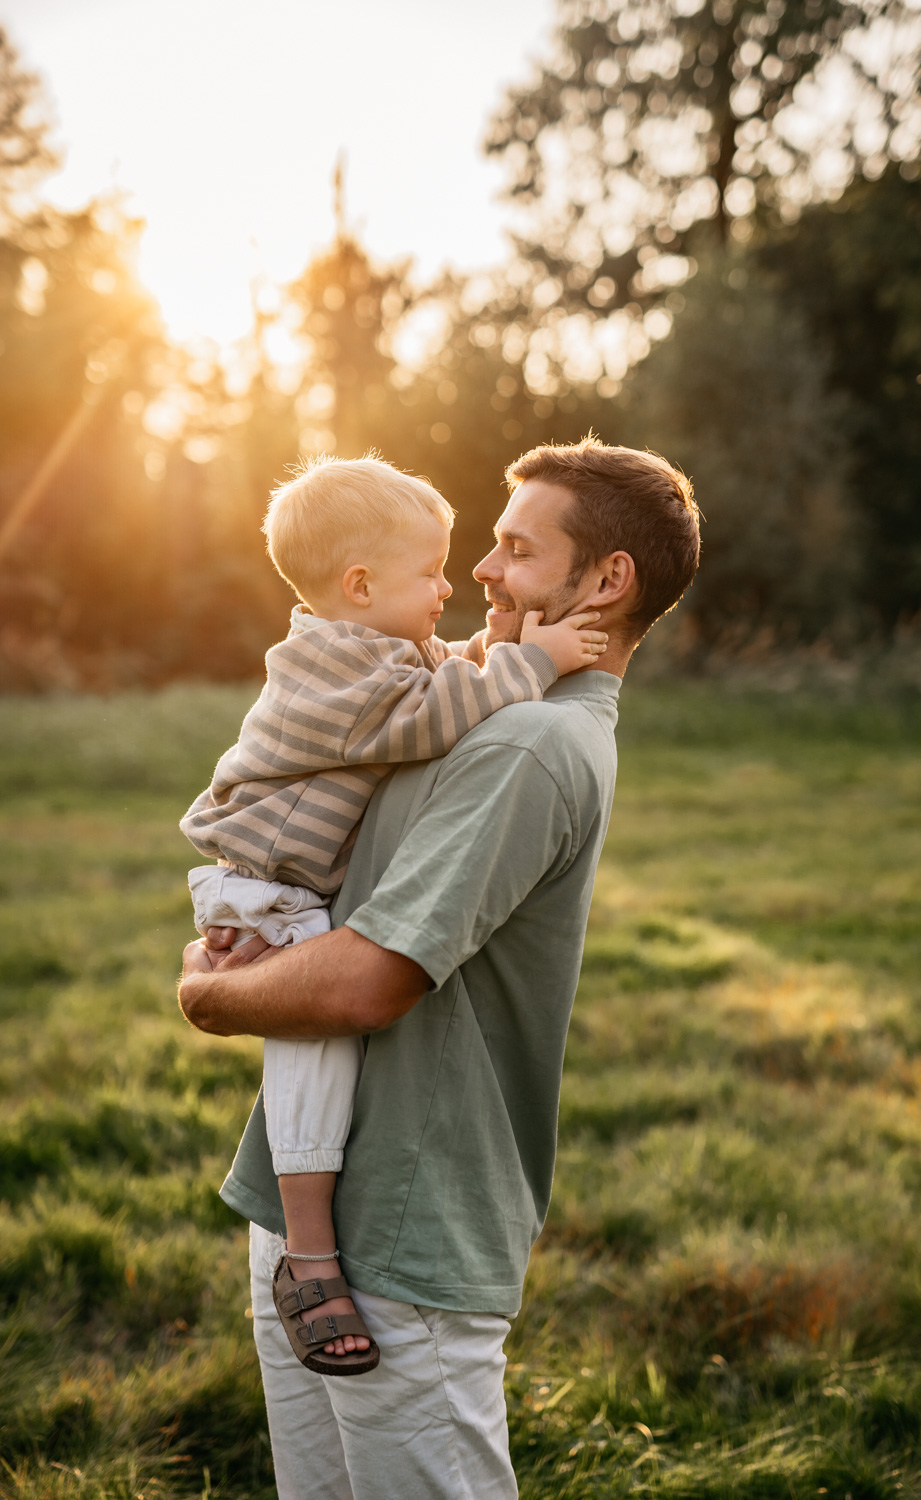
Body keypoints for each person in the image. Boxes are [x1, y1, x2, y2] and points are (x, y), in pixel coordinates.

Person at [178, 437, 701, 1500]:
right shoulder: (486, 707)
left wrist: (208, 993)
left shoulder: (529, 747)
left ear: (607, 580)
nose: (483, 572)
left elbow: (371, 980)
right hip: (314, 1199)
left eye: (514, 547)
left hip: (397, 1243)